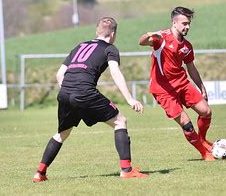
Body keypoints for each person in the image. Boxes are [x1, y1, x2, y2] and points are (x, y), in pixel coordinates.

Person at [33, 17, 148, 182]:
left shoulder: (80, 45)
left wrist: (70, 92)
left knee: (62, 134)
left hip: (65, 92)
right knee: (120, 121)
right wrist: (129, 99)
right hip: (84, 92)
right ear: (113, 34)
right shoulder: (110, 48)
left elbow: (60, 74)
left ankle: (40, 173)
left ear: (97, 31)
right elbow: (115, 73)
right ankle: (126, 170)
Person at [138, 6, 215, 161]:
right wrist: (149, 34)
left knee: (206, 112)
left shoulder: (187, 46)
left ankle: (203, 140)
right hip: (163, 90)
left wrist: (201, 87)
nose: (187, 27)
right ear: (174, 22)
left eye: (188, 24)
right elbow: (142, 42)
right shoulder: (161, 38)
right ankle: (204, 153)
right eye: (184, 23)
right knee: (186, 124)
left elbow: (191, 68)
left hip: (182, 83)